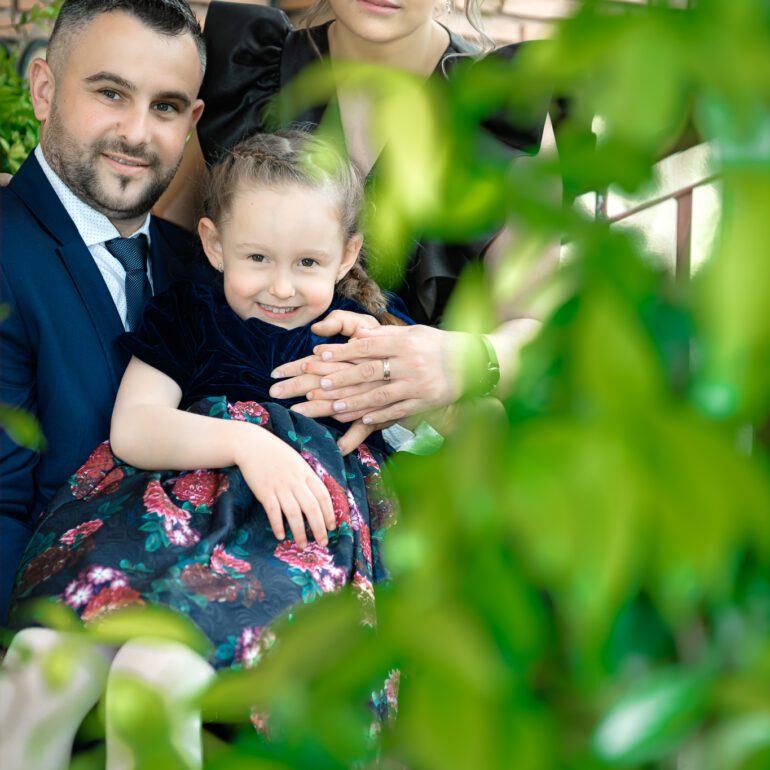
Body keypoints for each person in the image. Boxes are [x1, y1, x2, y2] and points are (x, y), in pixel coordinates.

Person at [2, 130, 404, 770]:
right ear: (214, 245)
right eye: (257, 258)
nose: (281, 287)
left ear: (348, 252)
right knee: (36, 667)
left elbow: (454, 426)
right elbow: (134, 428)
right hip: (148, 533)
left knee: (155, 673)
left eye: (308, 262)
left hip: (282, 551)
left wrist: (385, 362)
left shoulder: (366, 340)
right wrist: (247, 443)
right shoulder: (190, 314)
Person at [156, 0, 559, 451]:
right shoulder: (247, 67)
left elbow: (540, 330)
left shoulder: (501, 108)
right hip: (221, 436)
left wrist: (463, 361)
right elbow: (162, 254)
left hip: (418, 458)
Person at [0, 0, 208, 622]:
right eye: (112, 93)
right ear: (44, 89)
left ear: (193, 121)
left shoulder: (203, 268)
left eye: (165, 106)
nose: (138, 134)